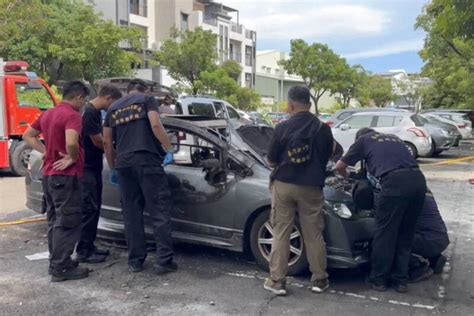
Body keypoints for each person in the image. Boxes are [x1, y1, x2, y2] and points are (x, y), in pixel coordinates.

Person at [335, 128, 427, 293]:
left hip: (394, 183)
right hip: (418, 181)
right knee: (405, 233)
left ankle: (378, 279)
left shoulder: (363, 141)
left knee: (385, 233)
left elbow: (340, 166)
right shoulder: (393, 137)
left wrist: (348, 178)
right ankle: (400, 281)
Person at [264, 86, 334, 296]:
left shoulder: (282, 127)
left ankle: (277, 281)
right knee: (313, 233)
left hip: (284, 184)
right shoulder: (323, 129)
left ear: (290, 105)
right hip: (311, 187)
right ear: (310, 104)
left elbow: (270, 160)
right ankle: (319, 280)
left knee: (281, 232)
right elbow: (326, 158)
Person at [103, 79, 176, 274]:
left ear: (127, 91)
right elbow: (156, 125)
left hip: (124, 165)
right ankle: (163, 261)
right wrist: (168, 149)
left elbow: (107, 142)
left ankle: (135, 261)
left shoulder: (113, 108)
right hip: (147, 161)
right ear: (145, 89)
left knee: (131, 214)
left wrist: (113, 168)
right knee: (159, 211)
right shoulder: (147, 100)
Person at [23, 80, 90, 282]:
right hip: (66, 176)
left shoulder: (49, 113)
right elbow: (71, 141)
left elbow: (28, 135)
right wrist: (72, 156)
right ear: (78, 97)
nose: (84, 102)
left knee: (54, 220)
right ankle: (60, 267)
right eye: (84, 99)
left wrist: (47, 153)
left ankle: (58, 260)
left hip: (50, 176)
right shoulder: (72, 115)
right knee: (67, 221)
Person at [76, 85, 122, 263]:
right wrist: (114, 154)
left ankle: (89, 245)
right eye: (115, 103)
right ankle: (83, 251)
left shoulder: (92, 112)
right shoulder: (90, 112)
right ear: (109, 98)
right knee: (89, 208)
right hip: (87, 167)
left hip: (93, 166)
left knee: (94, 208)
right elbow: (98, 141)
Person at [408, 190, 449, 282]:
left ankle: (417, 266)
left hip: (428, 240)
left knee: (391, 238)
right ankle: (435, 259)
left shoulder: (408, 195)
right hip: (440, 238)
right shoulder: (425, 192)